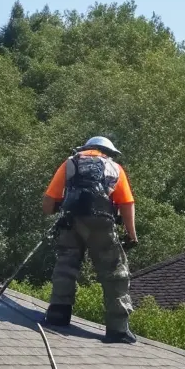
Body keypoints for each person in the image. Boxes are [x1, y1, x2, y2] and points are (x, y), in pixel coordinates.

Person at [42, 136, 139, 343]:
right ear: (108, 152)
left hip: (71, 221)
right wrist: (131, 234)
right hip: (101, 222)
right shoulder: (115, 168)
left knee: (66, 265)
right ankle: (118, 329)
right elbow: (126, 203)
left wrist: (54, 212)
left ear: (86, 148)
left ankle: (58, 314)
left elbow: (49, 200)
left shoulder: (70, 163)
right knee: (114, 273)